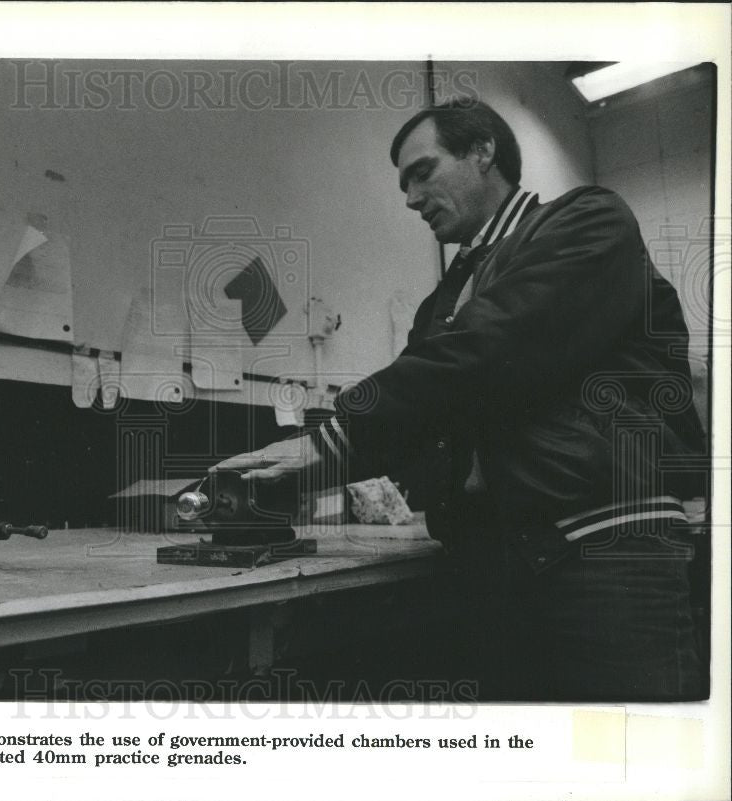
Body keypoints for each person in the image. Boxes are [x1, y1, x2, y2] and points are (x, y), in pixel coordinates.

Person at [214, 99, 707, 701]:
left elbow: (490, 348)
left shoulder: (588, 221)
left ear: (483, 152)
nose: (411, 198)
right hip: (500, 566)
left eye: (423, 172)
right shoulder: (442, 305)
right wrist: (281, 477)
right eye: (403, 184)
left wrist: (331, 439)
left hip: (603, 551)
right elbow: (424, 418)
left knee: (634, 765)